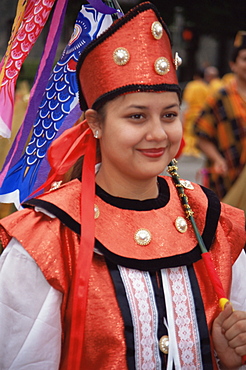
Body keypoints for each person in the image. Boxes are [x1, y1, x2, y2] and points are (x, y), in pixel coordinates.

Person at [0, 3, 246, 369]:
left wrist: (227, 359)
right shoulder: (48, 238)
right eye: (136, 116)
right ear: (95, 123)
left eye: (169, 115)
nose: (158, 134)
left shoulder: (215, 224)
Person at [194, 31, 246, 201]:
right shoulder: (220, 97)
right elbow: (201, 134)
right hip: (226, 176)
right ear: (233, 64)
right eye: (244, 59)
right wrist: (217, 159)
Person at [182, 68, 209, 156]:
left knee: (189, 131)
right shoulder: (205, 87)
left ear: (195, 76)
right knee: (197, 132)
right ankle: (195, 148)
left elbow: (187, 99)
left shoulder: (191, 86)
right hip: (201, 112)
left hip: (192, 111)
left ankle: (188, 148)